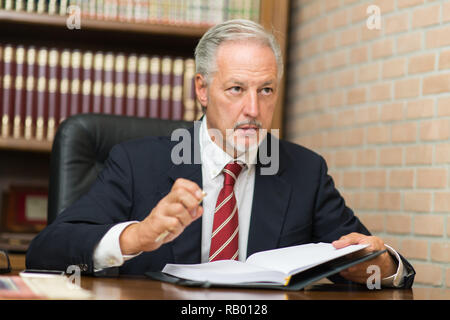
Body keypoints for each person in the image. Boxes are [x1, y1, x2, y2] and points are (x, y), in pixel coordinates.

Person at [26, 19, 415, 288]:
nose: (253, 109)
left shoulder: (304, 171)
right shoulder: (136, 163)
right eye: (236, 89)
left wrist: (377, 265)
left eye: (266, 90)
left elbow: (375, 263)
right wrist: (137, 237)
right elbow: (45, 252)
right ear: (201, 89)